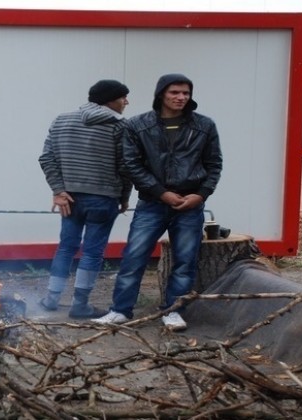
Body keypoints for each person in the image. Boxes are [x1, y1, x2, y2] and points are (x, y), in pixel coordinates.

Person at [93, 73, 223, 330]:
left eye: (186, 93)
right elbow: (131, 165)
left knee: (185, 261)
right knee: (134, 257)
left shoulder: (205, 126)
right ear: (162, 94)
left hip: (190, 204)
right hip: (152, 203)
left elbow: (214, 164)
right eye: (175, 92)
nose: (181, 97)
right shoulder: (137, 125)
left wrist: (201, 195)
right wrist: (161, 192)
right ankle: (120, 310)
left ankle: (173, 311)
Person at [38, 80, 133, 319]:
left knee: (66, 247)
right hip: (103, 199)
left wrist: (59, 191)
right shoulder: (120, 126)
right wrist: (124, 197)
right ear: (109, 100)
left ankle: (51, 298)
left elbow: (46, 158)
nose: (126, 102)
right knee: (92, 252)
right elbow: (125, 167)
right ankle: (80, 305)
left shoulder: (62, 120)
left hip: (69, 198)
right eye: (123, 97)